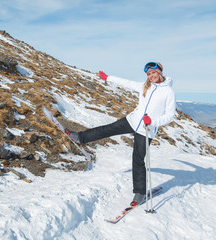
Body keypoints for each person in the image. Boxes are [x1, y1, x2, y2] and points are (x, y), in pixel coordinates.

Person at [67, 62, 176, 206]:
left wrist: (153, 121)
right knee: (107, 129)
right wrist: (107, 78)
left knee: (138, 160)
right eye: (148, 74)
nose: (151, 76)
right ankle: (81, 138)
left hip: (146, 130)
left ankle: (140, 193)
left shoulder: (168, 91)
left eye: (153, 73)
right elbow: (126, 82)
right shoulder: (145, 86)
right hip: (132, 120)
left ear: (160, 72)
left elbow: (170, 115)